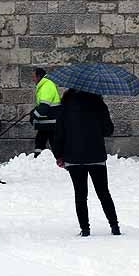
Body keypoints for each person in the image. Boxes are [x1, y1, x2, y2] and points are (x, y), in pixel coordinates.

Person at [52, 89, 120, 237]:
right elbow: (108, 130)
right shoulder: (99, 104)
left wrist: (58, 155)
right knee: (103, 192)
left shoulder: (65, 106)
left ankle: (85, 229)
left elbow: (58, 133)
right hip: (96, 155)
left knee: (80, 195)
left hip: (73, 156)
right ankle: (114, 226)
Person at [31, 67, 61, 157]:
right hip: (47, 122)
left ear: (39, 76)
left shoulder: (47, 86)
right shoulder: (44, 85)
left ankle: (57, 160)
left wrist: (33, 116)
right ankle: (39, 159)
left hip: (50, 122)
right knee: (40, 141)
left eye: (33, 76)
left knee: (52, 143)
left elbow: (44, 107)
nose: (32, 79)